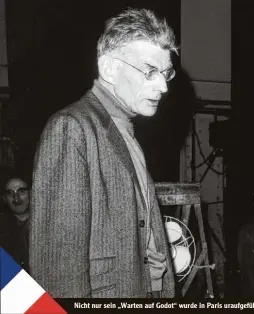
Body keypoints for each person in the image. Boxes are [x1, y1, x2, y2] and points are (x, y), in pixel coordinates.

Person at [29, 8, 177, 298]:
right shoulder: (71, 128)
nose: (162, 86)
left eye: (166, 73)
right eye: (150, 71)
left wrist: (145, 259)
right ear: (109, 68)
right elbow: (58, 270)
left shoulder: (123, 129)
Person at [0, 170, 31, 270]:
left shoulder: (45, 225)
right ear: (4, 199)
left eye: (21, 191)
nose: (16, 198)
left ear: (31, 193)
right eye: (10, 193)